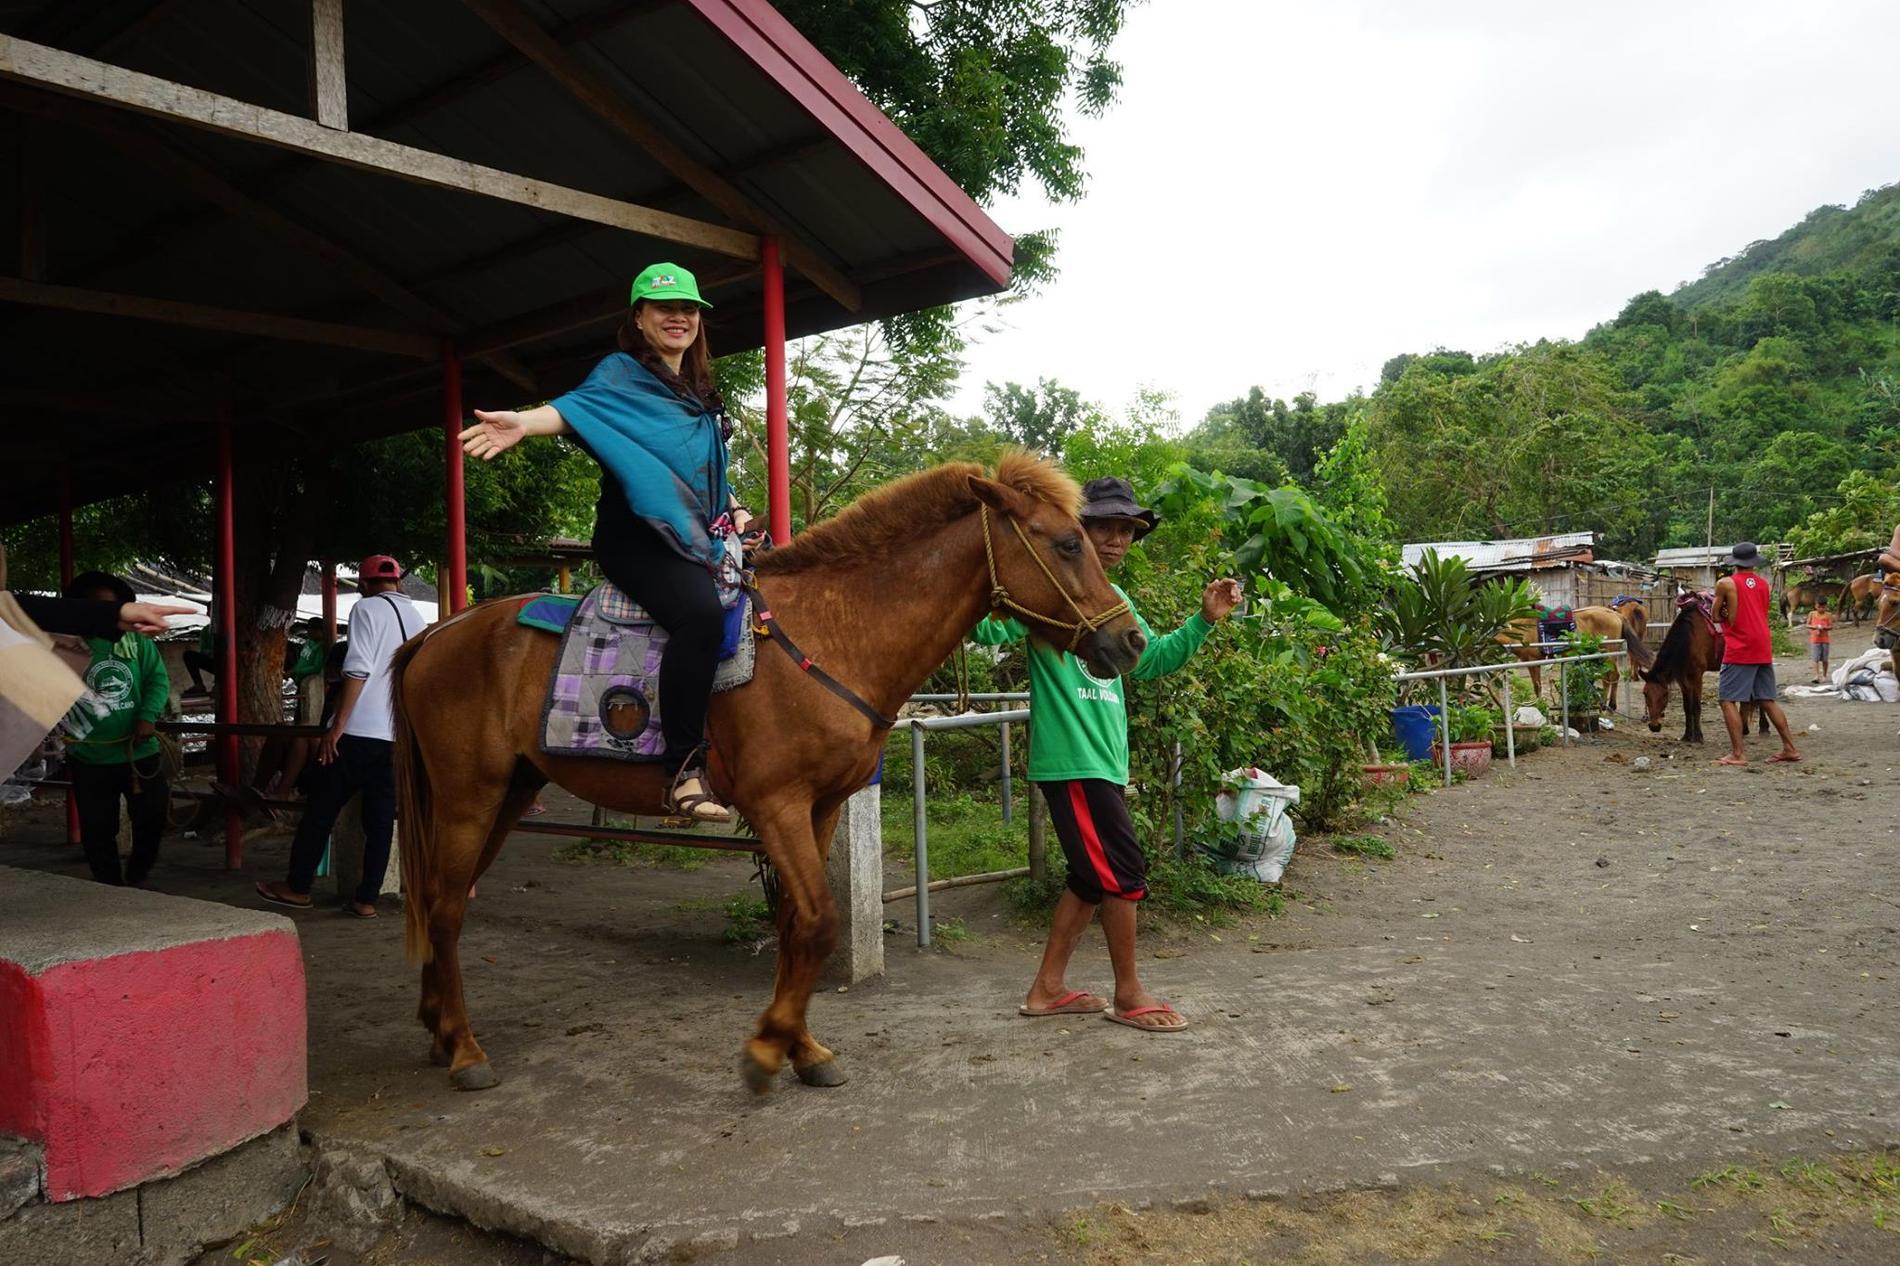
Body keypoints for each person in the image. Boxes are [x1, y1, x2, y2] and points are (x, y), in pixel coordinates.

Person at [459, 262, 749, 823]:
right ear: (639, 317)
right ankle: (685, 772)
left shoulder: (699, 393)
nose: (679, 317)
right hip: (636, 544)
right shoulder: (619, 376)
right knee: (700, 618)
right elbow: (573, 410)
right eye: (665, 308)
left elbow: (706, 474)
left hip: (699, 540)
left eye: (688, 309)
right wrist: (523, 422)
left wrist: (734, 509)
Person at [971, 477, 1242, 1033]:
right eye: (1105, 527)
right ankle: (1130, 994)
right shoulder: (1041, 589)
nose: (1118, 539)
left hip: (1105, 762)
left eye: (1127, 530)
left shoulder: (1117, 604)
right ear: (1079, 530)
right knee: (1124, 871)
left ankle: (1047, 989)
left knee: (1090, 880)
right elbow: (982, 620)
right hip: (1073, 762)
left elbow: (1151, 660)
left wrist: (1203, 621)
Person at [256, 555, 419, 917]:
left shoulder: (366, 610)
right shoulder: (417, 619)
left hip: (360, 731)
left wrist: (337, 726)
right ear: (398, 582)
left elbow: (358, 668)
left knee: (320, 811)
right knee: (379, 821)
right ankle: (367, 898)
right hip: (396, 735)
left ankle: (298, 887)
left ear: (363, 583)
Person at [60, 572, 172, 887]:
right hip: (88, 755)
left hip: (139, 751)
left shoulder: (135, 640)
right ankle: (110, 887)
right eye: (96, 608)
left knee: (152, 818)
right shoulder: (67, 646)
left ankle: (137, 878)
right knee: (97, 829)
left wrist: (148, 715)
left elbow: (158, 679)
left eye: (111, 607)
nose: (105, 614)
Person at [1713, 542, 1799, 766]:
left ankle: (1738, 754)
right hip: (1763, 644)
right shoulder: (1764, 584)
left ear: (1734, 562)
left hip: (1740, 646)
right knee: (1766, 699)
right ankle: (1790, 748)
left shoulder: (1725, 583)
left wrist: (1722, 611)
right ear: (1753, 562)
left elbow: (1715, 615)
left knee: (1727, 699)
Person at [1806, 598, 1833, 683]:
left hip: (1825, 639)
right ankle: (1816, 675)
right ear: (1815, 606)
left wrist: (1824, 628)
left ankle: (1824, 675)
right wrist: (1814, 627)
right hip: (1815, 639)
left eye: (1823, 607)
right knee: (1815, 658)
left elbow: (1831, 626)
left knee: (1825, 659)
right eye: (1819, 607)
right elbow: (1807, 624)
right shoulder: (1812, 614)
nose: (1820, 609)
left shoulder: (1828, 615)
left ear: (1825, 607)